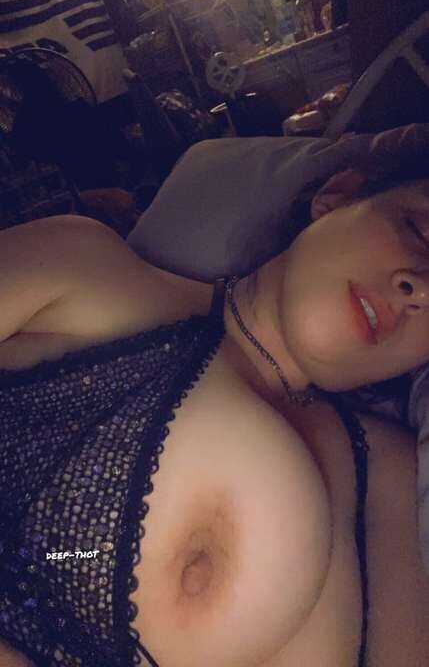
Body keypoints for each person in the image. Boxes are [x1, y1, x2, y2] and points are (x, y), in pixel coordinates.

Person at [1, 146, 429, 667]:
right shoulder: (84, 265)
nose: (419, 287)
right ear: (336, 198)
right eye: (419, 232)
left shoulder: (396, 478)